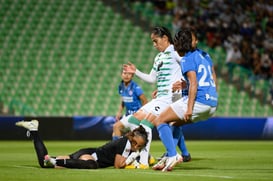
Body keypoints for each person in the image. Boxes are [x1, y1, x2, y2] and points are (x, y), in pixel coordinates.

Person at [112, 26, 189, 168]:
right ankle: (160, 155)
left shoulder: (176, 53)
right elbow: (152, 78)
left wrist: (184, 84)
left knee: (159, 124)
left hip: (173, 97)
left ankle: (144, 161)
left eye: (155, 41)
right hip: (161, 97)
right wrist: (136, 72)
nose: (154, 45)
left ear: (165, 38)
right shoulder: (159, 57)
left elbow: (189, 71)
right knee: (136, 119)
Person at [152, 27, 218, 172]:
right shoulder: (204, 55)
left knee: (160, 120)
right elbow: (211, 76)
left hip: (198, 101)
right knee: (175, 124)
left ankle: (173, 155)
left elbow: (194, 83)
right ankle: (170, 155)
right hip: (211, 103)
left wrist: (189, 108)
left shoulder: (187, 58)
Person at [15, 120, 148, 169]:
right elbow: (118, 165)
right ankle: (56, 162)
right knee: (92, 165)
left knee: (44, 163)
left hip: (87, 152)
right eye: (136, 144)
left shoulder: (127, 142)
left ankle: (34, 131)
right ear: (132, 138)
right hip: (90, 156)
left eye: (139, 147)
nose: (136, 147)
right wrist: (132, 158)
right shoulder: (125, 143)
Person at [112, 69, 148, 140]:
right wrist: (119, 112)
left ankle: (119, 149)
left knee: (133, 137)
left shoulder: (135, 87)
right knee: (115, 131)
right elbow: (123, 99)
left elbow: (145, 101)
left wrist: (142, 114)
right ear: (121, 74)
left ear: (132, 76)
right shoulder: (121, 86)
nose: (126, 76)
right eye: (124, 73)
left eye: (129, 74)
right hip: (127, 114)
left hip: (136, 116)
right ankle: (118, 149)